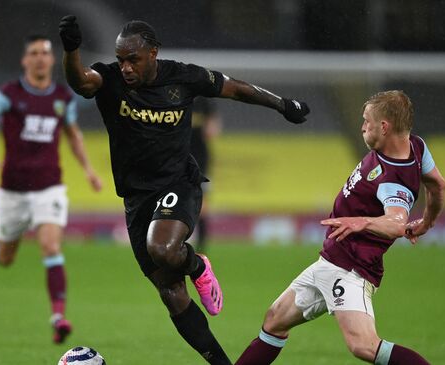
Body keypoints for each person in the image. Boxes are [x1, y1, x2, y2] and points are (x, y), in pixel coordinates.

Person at [58, 16, 310, 365]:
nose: (126, 67)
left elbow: (234, 88)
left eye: (133, 59)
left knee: (161, 247)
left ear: (153, 53)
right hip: (136, 198)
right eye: (121, 60)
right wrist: (71, 51)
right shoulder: (111, 79)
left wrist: (283, 104)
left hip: (178, 183)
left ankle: (197, 265)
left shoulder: (183, 76)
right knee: (172, 294)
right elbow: (82, 82)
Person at [235, 90, 445, 365]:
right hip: (332, 259)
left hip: (350, 269)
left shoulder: (393, 179)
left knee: (364, 346)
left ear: (384, 127)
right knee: (275, 319)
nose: (362, 127)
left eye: (367, 121)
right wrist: (426, 224)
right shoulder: (416, 146)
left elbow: (396, 223)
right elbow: (438, 185)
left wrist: (364, 221)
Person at [0, 34, 103, 344]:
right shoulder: (8, 94)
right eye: (34, 53)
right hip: (12, 191)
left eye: (45, 52)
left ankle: (59, 317)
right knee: (5, 258)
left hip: (49, 188)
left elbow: (73, 135)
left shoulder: (63, 99)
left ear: (52, 59)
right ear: (25, 60)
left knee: (52, 248)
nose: (41, 57)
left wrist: (89, 171)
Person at [190, 96, 222, 253]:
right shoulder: (173, 96)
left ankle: (201, 248)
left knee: (202, 204)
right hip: (177, 157)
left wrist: (211, 125)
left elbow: (213, 131)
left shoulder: (204, 102)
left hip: (201, 160)